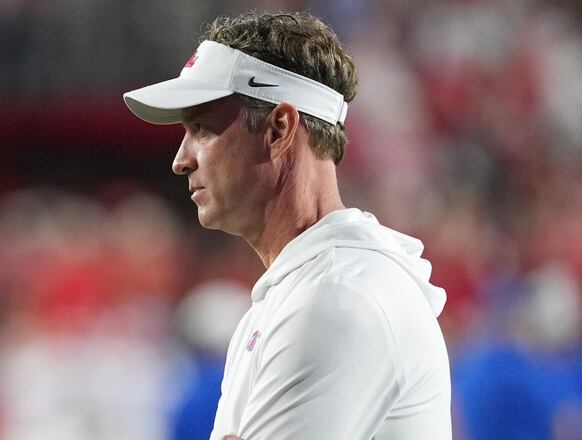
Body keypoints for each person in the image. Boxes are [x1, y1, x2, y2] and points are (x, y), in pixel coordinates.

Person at [123, 12, 451, 440]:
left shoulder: (337, 297)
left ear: (280, 128)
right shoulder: (307, 290)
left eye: (202, 129)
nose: (181, 159)